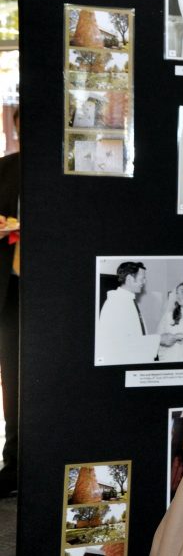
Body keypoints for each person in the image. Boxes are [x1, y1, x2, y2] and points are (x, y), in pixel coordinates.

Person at [96, 262, 172, 365]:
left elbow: (135, 336)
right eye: (142, 278)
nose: (144, 282)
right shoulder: (115, 304)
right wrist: (159, 339)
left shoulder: (128, 300)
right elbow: (122, 343)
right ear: (129, 279)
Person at [0, 107, 18, 496]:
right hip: (10, 290)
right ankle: (13, 466)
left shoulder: (62, 172)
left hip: (54, 295)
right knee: (12, 380)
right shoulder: (4, 169)